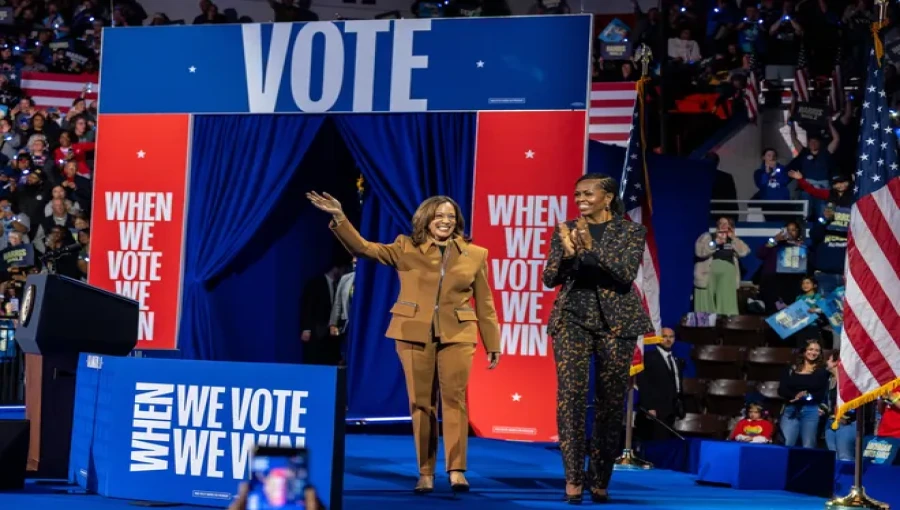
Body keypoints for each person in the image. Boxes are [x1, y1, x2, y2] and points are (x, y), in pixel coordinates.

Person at [306, 191, 501, 494]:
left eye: (451, 216)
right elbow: (363, 247)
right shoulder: (405, 247)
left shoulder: (476, 254)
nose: (445, 221)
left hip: (458, 334)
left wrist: (493, 342)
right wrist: (340, 216)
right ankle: (425, 472)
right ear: (425, 219)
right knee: (421, 404)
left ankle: (456, 470)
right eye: (439, 216)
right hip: (412, 332)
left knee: (455, 401)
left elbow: (485, 303)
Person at [542, 173, 654, 504]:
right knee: (571, 398)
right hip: (572, 319)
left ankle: (600, 477)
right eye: (577, 194)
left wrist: (592, 249)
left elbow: (624, 273)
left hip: (617, 323)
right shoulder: (566, 229)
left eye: (588, 194)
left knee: (610, 403)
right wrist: (565, 254)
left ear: (607, 197)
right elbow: (550, 278)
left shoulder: (632, 231)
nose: (580, 199)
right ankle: (574, 478)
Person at [693, 216, 750, 316]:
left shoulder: (732, 240)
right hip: (708, 272)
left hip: (727, 273)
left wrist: (734, 238)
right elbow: (700, 251)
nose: (723, 225)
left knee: (726, 302)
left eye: (726, 223)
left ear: (731, 227)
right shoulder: (708, 236)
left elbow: (744, 252)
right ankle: (705, 325)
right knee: (706, 303)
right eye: (721, 223)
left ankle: (726, 324)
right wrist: (715, 243)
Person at [778, 339, 829, 448]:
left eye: (817, 350)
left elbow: (820, 393)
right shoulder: (790, 369)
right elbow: (782, 389)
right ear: (804, 351)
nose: (813, 353)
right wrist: (794, 396)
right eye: (810, 349)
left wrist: (806, 397)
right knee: (787, 444)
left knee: (808, 445)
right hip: (790, 410)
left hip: (811, 411)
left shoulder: (822, 371)